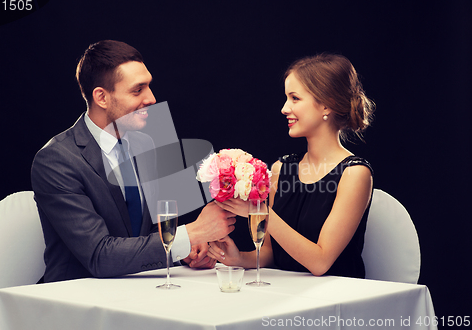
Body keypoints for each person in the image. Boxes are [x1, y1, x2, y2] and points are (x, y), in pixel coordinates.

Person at [31, 40, 236, 283]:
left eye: (149, 86)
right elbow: (99, 256)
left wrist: (183, 252)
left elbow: (147, 232)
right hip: (74, 301)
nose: (151, 98)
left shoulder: (144, 144)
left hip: (137, 289)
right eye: (137, 90)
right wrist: (193, 233)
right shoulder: (56, 161)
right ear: (102, 97)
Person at [208, 53, 375, 278]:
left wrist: (260, 212)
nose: (284, 108)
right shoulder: (281, 169)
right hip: (288, 292)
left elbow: (320, 262)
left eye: (295, 98)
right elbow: (269, 253)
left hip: (336, 299)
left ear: (327, 105)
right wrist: (238, 258)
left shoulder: (355, 173)